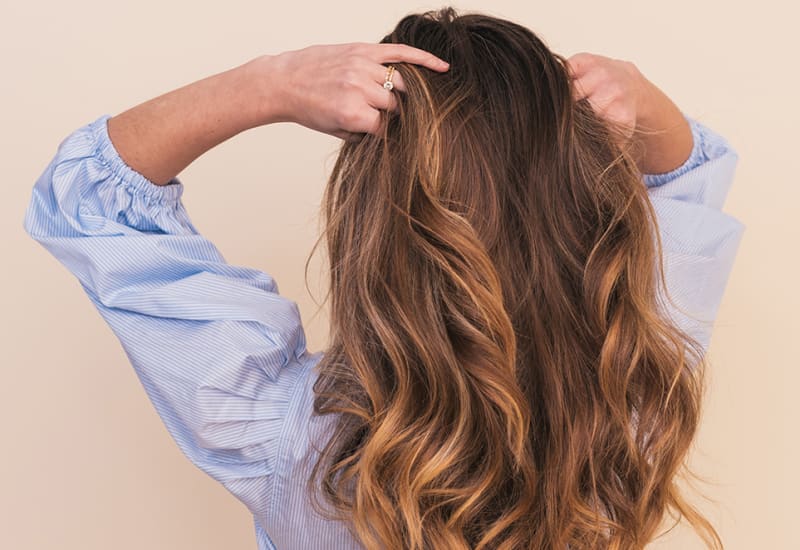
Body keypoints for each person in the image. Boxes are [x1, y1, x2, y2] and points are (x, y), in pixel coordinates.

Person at [22, 7, 744, 550]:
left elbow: (89, 198)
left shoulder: (288, 441)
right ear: (578, 205)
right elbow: (682, 180)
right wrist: (642, 99)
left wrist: (267, 84)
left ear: (370, 221)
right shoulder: (637, 385)